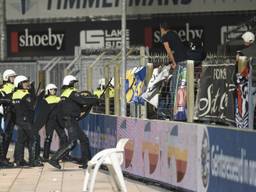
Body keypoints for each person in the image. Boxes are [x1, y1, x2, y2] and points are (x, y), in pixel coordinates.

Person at [48, 75, 99, 169]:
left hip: (69, 120)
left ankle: (87, 162)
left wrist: (90, 102)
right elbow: (83, 100)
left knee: (84, 140)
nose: (75, 85)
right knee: (72, 142)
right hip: (70, 120)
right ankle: (54, 159)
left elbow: (77, 106)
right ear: (70, 83)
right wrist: (95, 99)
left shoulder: (64, 94)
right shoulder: (71, 93)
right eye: (74, 83)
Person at [12, 75, 42, 167]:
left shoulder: (15, 94)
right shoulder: (25, 94)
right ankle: (33, 161)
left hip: (19, 120)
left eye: (26, 82)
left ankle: (18, 160)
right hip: (26, 120)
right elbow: (32, 105)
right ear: (19, 84)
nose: (26, 84)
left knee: (21, 140)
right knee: (34, 138)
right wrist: (37, 94)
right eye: (24, 82)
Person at [33, 83, 68, 161]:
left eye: (54, 89)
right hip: (49, 122)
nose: (53, 91)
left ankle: (63, 155)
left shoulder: (59, 99)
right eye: (51, 89)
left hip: (58, 121)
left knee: (63, 137)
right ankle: (45, 157)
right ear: (47, 91)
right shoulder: (45, 100)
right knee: (48, 138)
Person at [0, 69, 16, 166]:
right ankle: (2, 159)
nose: (14, 78)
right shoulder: (4, 88)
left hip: (13, 113)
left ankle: (3, 157)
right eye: (12, 77)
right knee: (5, 136)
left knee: (8, 136)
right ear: (7, 78)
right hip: (7, 114)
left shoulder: (15, 87)